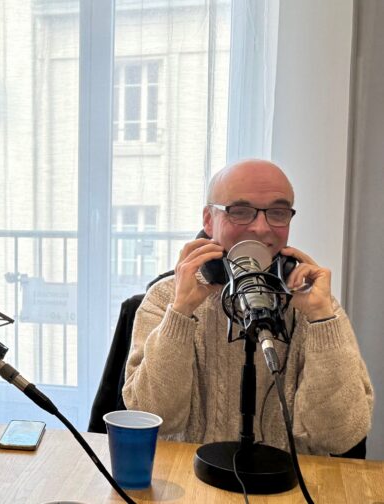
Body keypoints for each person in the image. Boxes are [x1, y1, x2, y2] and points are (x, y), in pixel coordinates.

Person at [122, 159, 373, 455]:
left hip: (289, 478)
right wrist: (180, 312)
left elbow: (340, 437)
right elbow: (153, 418)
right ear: (208, 220)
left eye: (277, 213)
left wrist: (321, 319)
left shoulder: (316, 304)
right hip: (189, 476)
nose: (260, 227)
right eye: (240, 212)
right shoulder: (165, 298)